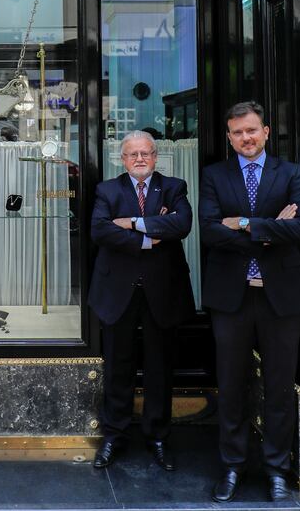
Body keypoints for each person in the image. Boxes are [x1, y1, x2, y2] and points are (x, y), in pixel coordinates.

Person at [199, 101, 300, 503]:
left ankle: (277, 469)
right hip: (231, 296)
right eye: (237, 133)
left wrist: (244, 223)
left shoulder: (292, 173)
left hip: (281, 296)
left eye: (251, 130)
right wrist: (270, 227)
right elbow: (211, 231)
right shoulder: (214, 175)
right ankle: (232, 465)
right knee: (231, 385)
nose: (245, 138)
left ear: (266, 131)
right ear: (229, 138)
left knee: (279, 387)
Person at [89, 130, 196, 471]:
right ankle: (114, 435)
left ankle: (158, 436)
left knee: (159, 367)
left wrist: (133, 222)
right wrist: (150, 237)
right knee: (118, 366)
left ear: (155, 157)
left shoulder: (174, 186)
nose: (139, 159)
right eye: (132, 154)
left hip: (162, 290)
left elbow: (181, 224)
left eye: (145, 153)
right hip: (117, 291)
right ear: (122, 159)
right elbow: (101, 230)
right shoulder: (107, 189)